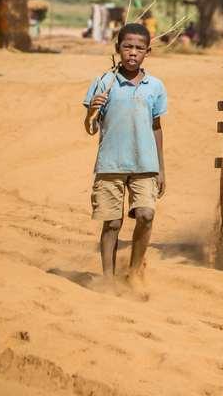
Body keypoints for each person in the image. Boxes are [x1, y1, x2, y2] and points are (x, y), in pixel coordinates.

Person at [83, 22, 167, 287]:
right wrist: (91, 112)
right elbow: (90, 127)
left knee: (146, 214)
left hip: (145, 163)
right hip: (111, 163)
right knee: (112, 222)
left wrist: (161, 168)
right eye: (127, 46)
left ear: (148, 51)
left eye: (139, 48)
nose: (132, 52)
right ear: (117, 48)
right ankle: (107, 278)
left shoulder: (155, 86)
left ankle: (134, 272)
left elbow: (156, 127)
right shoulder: (103, 83)